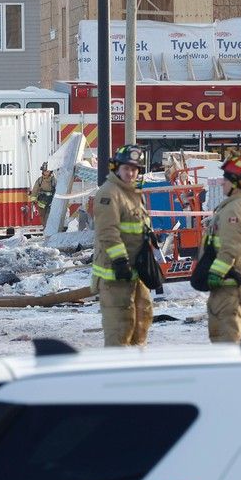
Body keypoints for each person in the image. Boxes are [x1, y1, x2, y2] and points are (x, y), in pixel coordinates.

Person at [91, 145, 153, 347]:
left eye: (134, 169)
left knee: (141, 321)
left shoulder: (133, 192)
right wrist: (120, 261)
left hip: (136, 272)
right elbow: (107, 232)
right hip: (115, 274)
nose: (130, 173)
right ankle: (117, 364)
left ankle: (136, 363)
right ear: (116, 168)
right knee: (119, 327)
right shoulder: (109, 193)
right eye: (126, 168)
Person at [205, 154, 241, 345]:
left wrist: (215, 273)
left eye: (226, 178)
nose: (222, 182)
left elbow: (231, 246)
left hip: (230, 290)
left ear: (236, 182)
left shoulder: (235, 208)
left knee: (228, 343)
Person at [29, 162, 57, 228]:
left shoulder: (54, 180)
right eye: (44, 171)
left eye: (47, 171)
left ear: (50, 172)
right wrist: (33, 200)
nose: (46, 173)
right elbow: (35, 190)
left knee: (48, 216)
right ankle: (45, 227)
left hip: (51, 202)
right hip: (41, 202)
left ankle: (48, 228)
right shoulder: (40, 180)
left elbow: (57, 191)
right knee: (42, 216)